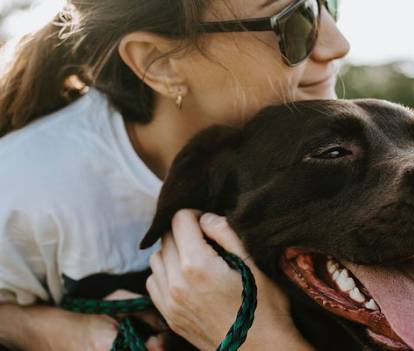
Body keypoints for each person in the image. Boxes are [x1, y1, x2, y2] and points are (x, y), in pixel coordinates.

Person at [0, 0, 349, 349]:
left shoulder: (348, 162)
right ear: (159, 63)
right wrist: (54, 332)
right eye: (296, 21)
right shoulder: (22, 184)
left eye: (325, 4)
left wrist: (260, 340)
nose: (337, 44)